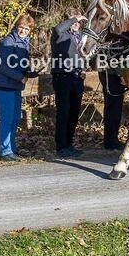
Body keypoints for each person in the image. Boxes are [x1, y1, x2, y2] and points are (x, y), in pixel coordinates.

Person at [0, 14, 37, 160]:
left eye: (26, 29)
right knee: (7, 118)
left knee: (15, 118)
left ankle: (12, 148)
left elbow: (18, 64)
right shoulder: (7, 42)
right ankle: (5, 151)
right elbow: (2, 65)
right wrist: (20, 77)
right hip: (4, 85)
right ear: (16, 26)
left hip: (16, 86)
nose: (23, 31)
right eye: (21, 27)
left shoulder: (24, 43)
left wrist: (29, 72)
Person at [51, 11, 87, 158]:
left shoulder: (80, 37)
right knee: (63, 112)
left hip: (77, 77)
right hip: (62, 76)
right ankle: (61, 146)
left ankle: (69, 144)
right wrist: (74, 18)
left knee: (74, 112)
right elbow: (57, 29)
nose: (76, 23)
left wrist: (83, 68)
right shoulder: (61, 34)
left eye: (78, 22)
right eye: (73, 21)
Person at [98, 70, 126, 150]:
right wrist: (121, 75)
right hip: (110, 73)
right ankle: (109, 142)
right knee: (112, 109)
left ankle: (114, 139)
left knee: (117, 109)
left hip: (114, 73)